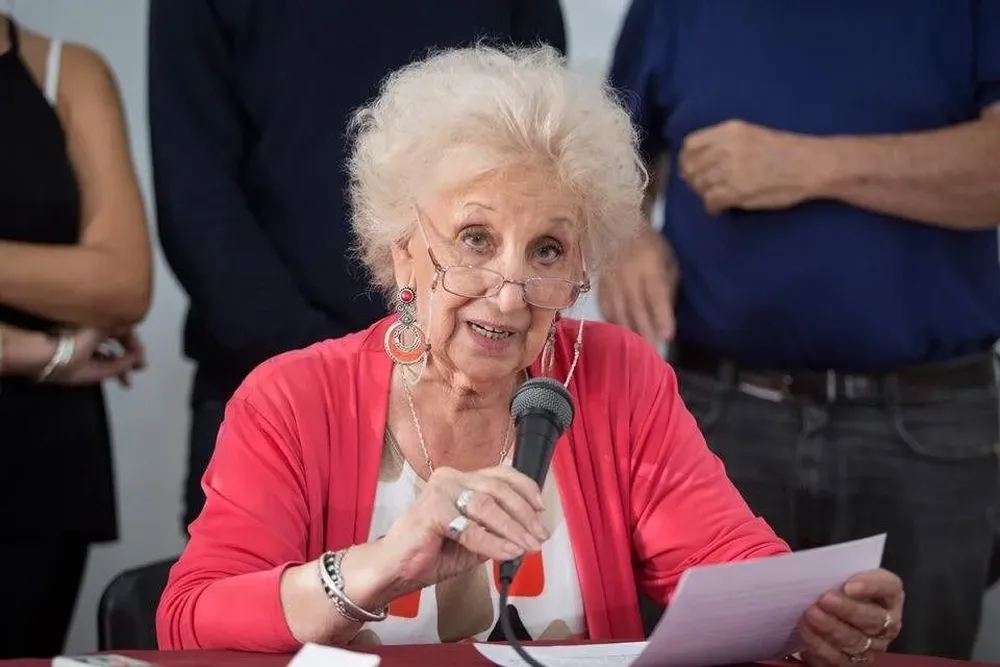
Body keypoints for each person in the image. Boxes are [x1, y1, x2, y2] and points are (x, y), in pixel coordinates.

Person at [157, 46, 904, 665]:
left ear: (580, 269)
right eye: (475, 238)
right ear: (404, 248)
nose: (510, 294)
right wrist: (387, 561)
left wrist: (813, 606)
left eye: (547, 248)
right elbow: (189, 619)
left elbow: (726, 559)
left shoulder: (620, 377)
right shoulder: (293, 396)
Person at [601, 0, 1000, 660]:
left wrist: (804, 165)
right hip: (713, 418)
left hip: (925, 429)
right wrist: (626, 235)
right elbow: (611, 163)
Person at [147, 0, 568, 533]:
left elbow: (540, 167)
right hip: (266, 380)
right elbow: (196, 203)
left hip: (483, 392)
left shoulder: (613, 382)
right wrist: (343, 375)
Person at [0, 15, 151, 659]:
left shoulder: (67, 70)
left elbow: (122, 281)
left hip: (35, 465)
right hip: (49, 382)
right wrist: (30, 348)